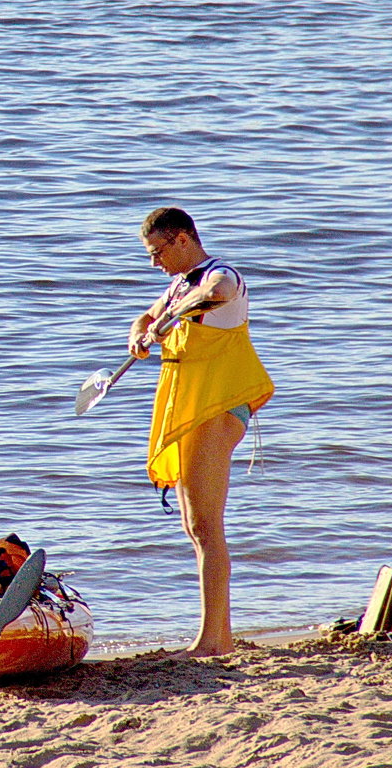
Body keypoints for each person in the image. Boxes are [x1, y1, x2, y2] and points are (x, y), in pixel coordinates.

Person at [127, 207, 274, 657]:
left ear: (183, 239)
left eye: (157, 252)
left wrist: (174, 318)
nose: (155, 263)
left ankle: (213, 642)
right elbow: (145, 317)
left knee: (208, 526)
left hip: (218, 406)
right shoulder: (177, 285)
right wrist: (139, 333)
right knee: (196, 527)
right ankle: (218, 636)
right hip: (195, 407)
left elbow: (220, 291)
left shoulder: (219, 274)